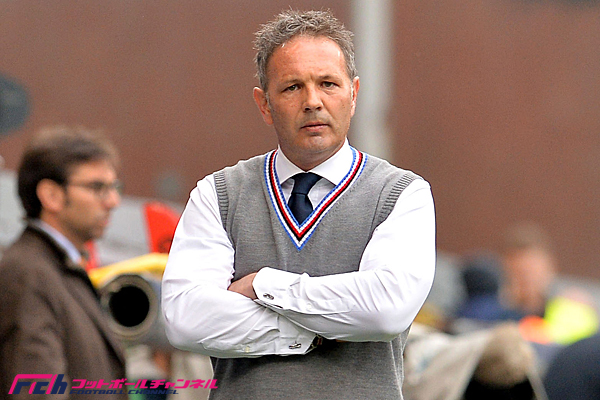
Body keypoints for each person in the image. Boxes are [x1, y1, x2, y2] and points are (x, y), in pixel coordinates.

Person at [161, 9, 435, 400]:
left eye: (328, 83)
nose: (313, 101)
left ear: (354, 94)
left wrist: (262, 285)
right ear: (264, 104)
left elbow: (385, 310)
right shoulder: (218, 194)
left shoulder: (402, 194)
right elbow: (186, 320)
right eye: (292, 87)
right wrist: (313, 334)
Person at [0, 126, 127, 399]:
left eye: (114, 187)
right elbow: (37, 391)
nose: (113, 201)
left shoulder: (56, 268)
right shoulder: (28, 274)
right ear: (51, 195)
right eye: (98, 187)